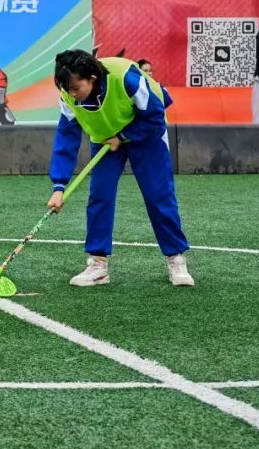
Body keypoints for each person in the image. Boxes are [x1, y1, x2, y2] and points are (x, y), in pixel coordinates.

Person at [49, 49, 193, 288]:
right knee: (100, 196)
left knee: (158, 194)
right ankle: (98, 265)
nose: (72, 95)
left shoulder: (126, 79)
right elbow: (66, 139)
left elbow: (155, 115)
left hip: (145, 133)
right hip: (105, 138)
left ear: (92, 79)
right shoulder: (68, 94)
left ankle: (176, 257)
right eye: (68, 89)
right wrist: (58, 186)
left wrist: (124, 135)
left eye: (76, 88)